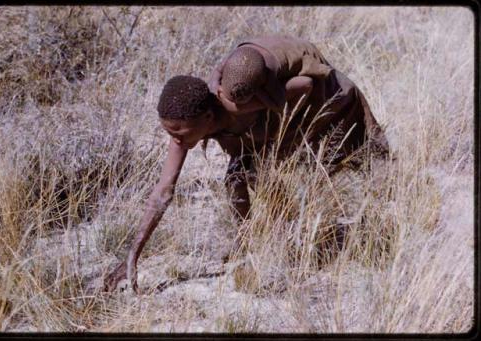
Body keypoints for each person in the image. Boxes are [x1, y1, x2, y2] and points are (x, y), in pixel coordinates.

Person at [103, 35, 389, 293]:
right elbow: (162, 193)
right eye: (168, 132)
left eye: (179, 132)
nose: (175, 140)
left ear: (207, 119)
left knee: (367, 163)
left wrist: (266, 103)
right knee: (238, 176)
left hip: (328, 103)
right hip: (273, 130)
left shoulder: (236, 102)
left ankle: (379, 227)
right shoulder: (188, 129)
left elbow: (307, 84)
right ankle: (252, 240)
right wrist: (131, 257)